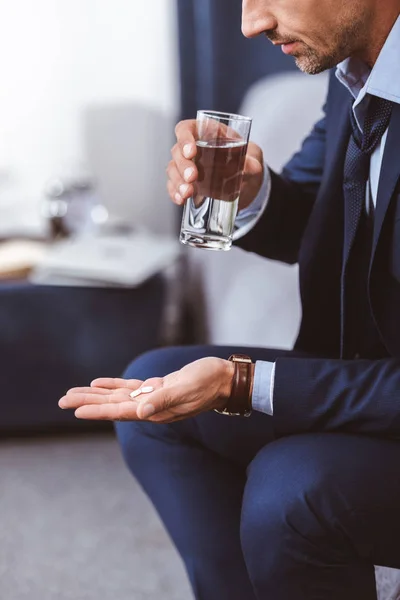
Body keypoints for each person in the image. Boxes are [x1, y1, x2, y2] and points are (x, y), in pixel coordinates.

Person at [59, 1, 400, 598]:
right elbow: (323, 222)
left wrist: (240, 382)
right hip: (371, 384)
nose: (250, 24)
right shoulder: (355, 76)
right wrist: (249, 190)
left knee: (290, 488)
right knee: (152, 397)